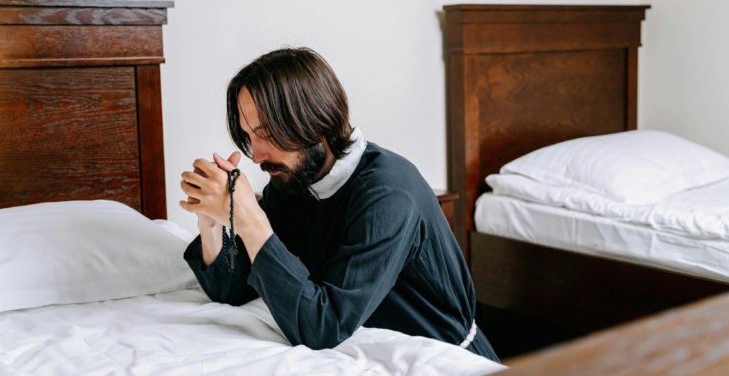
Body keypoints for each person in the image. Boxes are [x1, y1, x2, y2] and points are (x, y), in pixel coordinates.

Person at [179, 47, 498, 361]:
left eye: (266, 134)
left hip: (443, 360)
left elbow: (323, 327)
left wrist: (251, 221)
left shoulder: (388, 197)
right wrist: (212, 223)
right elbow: (232, 290)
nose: (256, 155)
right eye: (249, 136)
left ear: (313, 120)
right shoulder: (294, 181)